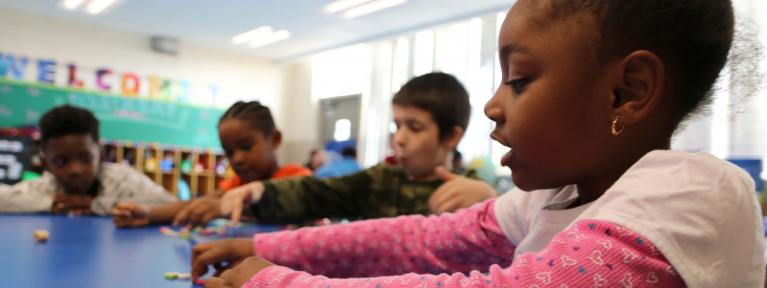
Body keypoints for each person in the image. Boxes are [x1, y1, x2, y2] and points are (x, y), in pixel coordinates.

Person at [190, 0, 764, 287]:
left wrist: (275, 281)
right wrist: (265, 248)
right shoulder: (556, 197)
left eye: (518, 80)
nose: (493, 105)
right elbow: (421, 242)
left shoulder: (691, 193)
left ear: (626, 93)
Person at [214, 72, 498, 225]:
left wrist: (489, 200)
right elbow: (317, 192)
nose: (399, 138)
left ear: (451, 136)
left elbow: (516, 231)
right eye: (396, 125)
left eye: (414, 127)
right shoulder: (379, 180)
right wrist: (261, 191)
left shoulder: (472, 190)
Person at [113, 101, 311, 227]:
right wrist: (148, 213)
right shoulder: (237, 184)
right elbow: (199, 203)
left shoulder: (295, 176)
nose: (237, 159)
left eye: (246, 146)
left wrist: (224, 206)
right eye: (229, 152)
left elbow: (292, 204)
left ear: (275, 139)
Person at [0, 105, 176, 215]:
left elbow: (169, 204)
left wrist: (96, 205)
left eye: (85, 159)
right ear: (45, 161)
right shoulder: (45, 187)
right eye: (61, 162)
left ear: (100, 154)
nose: (75, 170)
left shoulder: (123, 180)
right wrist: (49, 203)